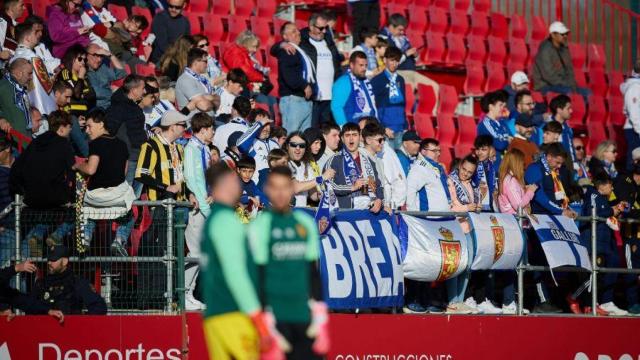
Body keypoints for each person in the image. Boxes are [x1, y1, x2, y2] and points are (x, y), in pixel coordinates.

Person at [248, 166, 329, 359]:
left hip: (304, 317)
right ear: (267, 190)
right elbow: (257, 276)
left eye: (285, 187)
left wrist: (320, 316)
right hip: (275, 318)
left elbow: (313, 272)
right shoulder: (259, 227)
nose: (280, 193)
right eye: (275, 187)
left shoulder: (304, 223)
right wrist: (264, 322)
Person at [200, 162, 277, 360]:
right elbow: (235, 272)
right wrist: (257, 317)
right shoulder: (226, 221)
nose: (239, 187)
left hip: (217, 314)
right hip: (234, 312)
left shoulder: (213, 221)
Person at [72, 108, 135, 256]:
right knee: (129, 215)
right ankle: (119, 239)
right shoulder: (122, 144)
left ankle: (86, 238)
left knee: (91, 213)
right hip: (117, 198)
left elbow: (91, 170)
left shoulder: (96, 144)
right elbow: (124, 173)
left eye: (89, 126)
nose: (87, 131)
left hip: (95, 197)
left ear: (101, 124)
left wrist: (78, 165)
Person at [525, 142, 576, 313]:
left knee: (550, 262)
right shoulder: (534, 168)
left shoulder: (553, 172)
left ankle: (550, 299)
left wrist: (564, 209)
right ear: (549, 157)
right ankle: (541, 301)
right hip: (538, 223)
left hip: (551, 221)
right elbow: (539, 197)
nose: (560, 166)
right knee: (539, 262)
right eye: (558, 162)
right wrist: (560, 211)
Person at [573, 173, 629, 316]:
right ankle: (576, 298)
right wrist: (612, 210)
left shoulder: (602, 198)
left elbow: (603, 211)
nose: (612, 189)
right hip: (592, 242)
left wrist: (615, 209)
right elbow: (594, 212)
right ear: (602, 186)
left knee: (599, 275)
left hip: (602, 243)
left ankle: (593, 303)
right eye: (610, 186)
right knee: (593, 275)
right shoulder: (593, 195)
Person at [404, 138, 449, 313]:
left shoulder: (433, 168)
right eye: (434, 150)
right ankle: (414, 298)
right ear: (423, 151)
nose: (438, 153)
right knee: (422, 262)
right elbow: (410, 192)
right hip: (425, 222)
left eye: (439, 150)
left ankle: (428, 298)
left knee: (433, 263)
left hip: (437, 222)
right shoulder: (419, 168)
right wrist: (415, 217)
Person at [497, 149, 537, 314]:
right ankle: (508, 302)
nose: (524, 166)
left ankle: (513, 301)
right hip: (514, 226)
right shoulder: (510, 180)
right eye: (522, 163)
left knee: (518, 267)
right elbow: (519, 206)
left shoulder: (510, 180)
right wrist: (530, 191)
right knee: (513, 266)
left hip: (518, 226)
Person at [183, 112, 214, 310]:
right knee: (194, 252)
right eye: (211, 129)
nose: (213, 132)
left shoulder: (205, 149)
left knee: (202, 253)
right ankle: (184, 292)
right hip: (198, 210)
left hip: (206, 205)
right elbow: (192, 178)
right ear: (202, 130)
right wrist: (204, 206)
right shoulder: (192, 149)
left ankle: (190, 292)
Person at [446, 155, 481, 315]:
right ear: (459, 165)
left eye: (469, 172)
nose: (465, 174)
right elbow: (449, 207)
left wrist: (476, 207)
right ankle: (453, 302)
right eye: (464, 170)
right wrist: (468, 208)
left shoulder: (472, 185)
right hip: (454, 228)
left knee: (468, 267)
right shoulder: (450, 181)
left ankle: (460, 301)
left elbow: (473, 205)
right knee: (457, 266)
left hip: (469, 228)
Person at [32, 245, 107, 315]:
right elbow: (31, 309)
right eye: (48, 259)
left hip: (70, 327)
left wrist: (81, 323)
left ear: (65, 261)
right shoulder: (41, 284)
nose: (49, 263)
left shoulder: (77, 282)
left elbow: (99, 307)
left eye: (53, 259)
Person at [326, 123, 384, 211]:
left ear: (360, 137)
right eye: (347, 135)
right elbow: (327, 185)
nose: (351, 138)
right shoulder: (334, 160)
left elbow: (378, 185)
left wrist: (379, 200)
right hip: (345, 213)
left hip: (368, 212)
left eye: (354, 135)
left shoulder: (369, 160)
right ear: (342, 138)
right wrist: (352, 187)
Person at [273, 22, 315, 133]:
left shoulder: (300, 49)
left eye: (297, 30)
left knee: (303, 139)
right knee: (290, 136)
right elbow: (288, 74)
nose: (297, 33)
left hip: (304, 99)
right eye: (292, 32)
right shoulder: (287, 50)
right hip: (293, 100)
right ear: (285, 37)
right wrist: (304, 85)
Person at [135, 110, 187, 202]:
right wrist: (166, 187)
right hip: (161, 204)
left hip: (181, 202)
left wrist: (190, 194)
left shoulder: (179, 148)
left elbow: (183, 177)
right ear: (173, 127)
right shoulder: (151, 145)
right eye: (183, 125)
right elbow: (141, 175)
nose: (185, 129)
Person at [106, 74, 147, 185]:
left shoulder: (132, 107)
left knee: (134, 196)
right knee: (125, 193)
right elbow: (111, 130)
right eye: (143, 88)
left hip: (139, 155)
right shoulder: (118, 108)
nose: (145, 92)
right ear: (133, 90)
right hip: (129, 157)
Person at [532, 21, 589, 98]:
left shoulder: (564, 49)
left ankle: (579, 109)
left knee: (587, 93)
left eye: (566, 34)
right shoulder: (544, 50)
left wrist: (572, 85)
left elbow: (569, 70)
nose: (565, 36)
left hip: (563, 85)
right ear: (553, 35)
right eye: (562, 34)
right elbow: (549, 76)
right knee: (568, 91)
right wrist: (567, 84)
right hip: (545, 86)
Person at [12, 22, 57, 116]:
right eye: (34, 33)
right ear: (27, 38)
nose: (38, 36)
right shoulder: (33, 57)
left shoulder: (13, 59)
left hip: (26, 109)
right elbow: (47, 87)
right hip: (44, 109)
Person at [613, 163, 640, 315]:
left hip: (637, 232)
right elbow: (625, 208)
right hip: (630, 234)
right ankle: (632, 303)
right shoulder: (624, 182)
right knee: (632, 269)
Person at [370, 47, 406, 150]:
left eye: (397, 61)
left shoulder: (400, 80)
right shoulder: (377, 80)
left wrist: (405, 126)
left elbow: (404, 104)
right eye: (392, 60)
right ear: (385, 60)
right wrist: (382, 128)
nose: (394, 63)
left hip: (400, 127)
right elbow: (373, 106)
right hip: (386, 129)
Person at [331, 52, 377, 127]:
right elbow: (336, 107)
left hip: (370, 128)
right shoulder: (344, 81)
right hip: (353, 128)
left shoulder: (365, 80)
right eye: (361, 65)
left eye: (366, 65)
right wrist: (345, 128)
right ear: (352, 65)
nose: (364, 68)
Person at [222, 31, 269, 96]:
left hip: (241, 83)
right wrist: (261, 78)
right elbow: (244, 71)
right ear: (246, 44)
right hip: (235, 85)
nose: (255, 50)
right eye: (253, 46)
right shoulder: (235, 53)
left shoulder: (242, 52)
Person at [86, 43, 127, 109]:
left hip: (112, 105)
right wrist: (113, 93)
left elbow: (121, 73)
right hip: (97, 109)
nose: (99, 59)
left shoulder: (102, 67)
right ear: (86, 55)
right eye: (95, 55)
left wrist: (111, 55)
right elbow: (96, 93)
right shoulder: (83, 71)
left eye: (101, 56)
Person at [59, 45, 97, 117]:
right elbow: (76, 94)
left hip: (85, 115)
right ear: (71, 58)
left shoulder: (84, 78)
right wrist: (81, 77)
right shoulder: (65, 73)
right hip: (69, 115)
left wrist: (80, 98)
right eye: (80, 59)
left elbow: (92, 98)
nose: (83, 62)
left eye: (85, 60)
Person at [0, 58, 33, 138]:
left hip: (25, 139)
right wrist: (1, 119)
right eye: (29, 73)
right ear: (18, 73)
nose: (31, 77)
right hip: (12, 142)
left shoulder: (22, 88)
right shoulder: (3, 86)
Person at [477, 90, 511, 160]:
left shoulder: (502, 122)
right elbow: (499, 145)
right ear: (491, 107)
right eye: (500, 105)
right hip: (495, 165)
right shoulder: (484, 125)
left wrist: (507, 140)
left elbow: (513, 140)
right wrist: (507, 140)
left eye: (503, 106)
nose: (503, 108)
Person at [621, 61, 640, 171]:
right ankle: (629, 184)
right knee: (634, 160)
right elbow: (634, 114)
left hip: (636, 129)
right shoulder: (634, 88)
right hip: (634, 130)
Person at [473, 135, 499, 212]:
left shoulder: (491, 165)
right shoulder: (472, 165)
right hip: (478, 209)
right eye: (477, 149)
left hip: (493, 208)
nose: (479, 152)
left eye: (483, 149)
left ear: (490, 149)